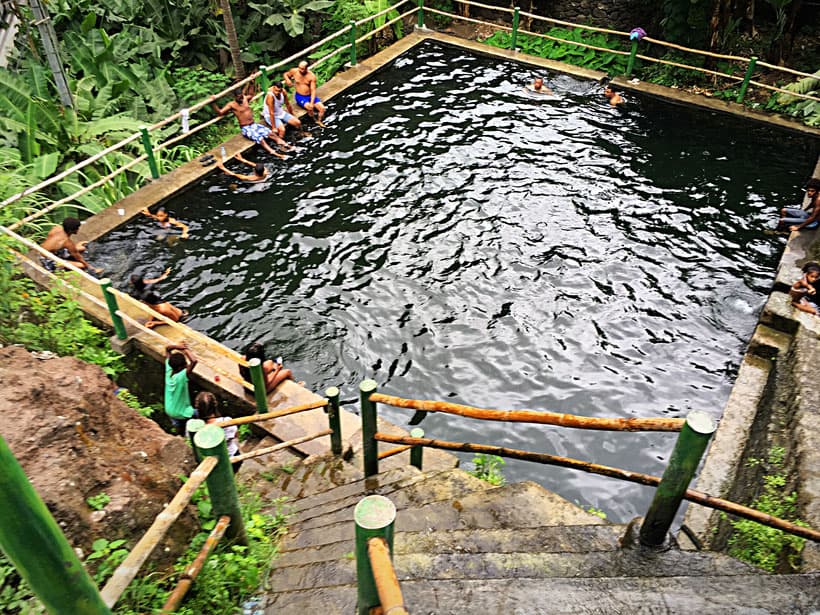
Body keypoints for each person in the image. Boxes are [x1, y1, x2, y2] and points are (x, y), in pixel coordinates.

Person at [212, 88, 290, 156]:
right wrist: (213, 102)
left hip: (254, 124)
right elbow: (220, 112)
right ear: (235, 97)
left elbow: (251, 94)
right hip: (245, 128)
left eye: (241, 96)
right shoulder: (231, 105)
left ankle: (286, 145)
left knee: (271, 133)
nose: (241, 99)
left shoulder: (245, 99)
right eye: (239, 98)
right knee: (260, 139)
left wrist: (252, 82)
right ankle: (273, 152)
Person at [194, 391, 242, 472]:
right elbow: (236, 435)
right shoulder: (227, 421)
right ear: (215, 405)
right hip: (232, 456)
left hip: (212, 462)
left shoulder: (196, 428)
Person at [164, 341, 198, 433]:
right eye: (185, 364)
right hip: (182, 412)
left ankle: (179, 434)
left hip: (169, 409)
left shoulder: (168, 370)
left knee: (177, 424)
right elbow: (194, 361)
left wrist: (177, 347)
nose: (187, 365)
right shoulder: (181, 376)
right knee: (201, 412)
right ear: (180, 368)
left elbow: (167, 349)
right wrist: (184, 349)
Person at [283, 61, 326, 127]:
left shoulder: (311, 76)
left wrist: (312, 103)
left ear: (306, 68)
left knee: (322, 109)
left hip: (310, 95)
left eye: (302, 69)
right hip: (300, 96)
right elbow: (285, 74)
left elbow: (313, 90)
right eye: (299, 68)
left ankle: (319, 121)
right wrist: (287, 79)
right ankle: (314, 120)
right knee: (309, 108)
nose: (300, 70)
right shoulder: (294, 71)